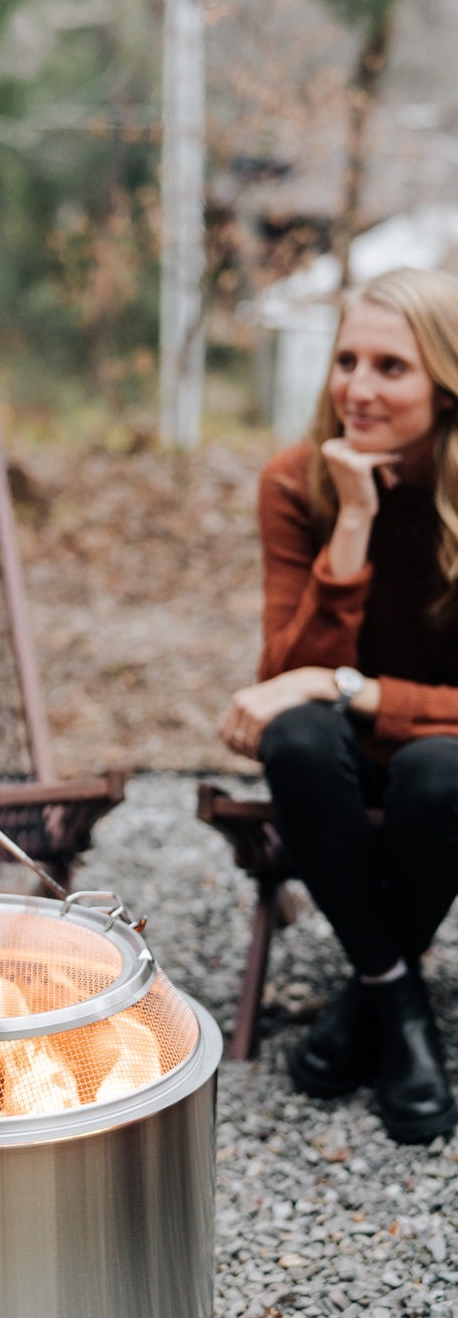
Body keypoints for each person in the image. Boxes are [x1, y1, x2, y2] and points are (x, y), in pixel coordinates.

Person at [221, 266, 458, 1145]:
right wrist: (350, 524)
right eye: (346, 360)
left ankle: (365, 1006)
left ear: (446, 385)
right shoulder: (297, 482)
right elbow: (287, 676)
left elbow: (322, 681)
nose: (356, 388)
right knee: (298, 737)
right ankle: (397, 1002)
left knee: (438, 770)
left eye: (390, 367)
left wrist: (348, 687)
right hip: (345, 754)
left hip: (444, 755)